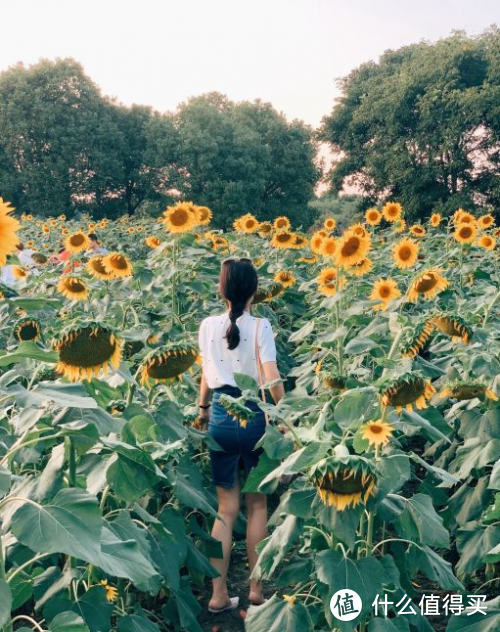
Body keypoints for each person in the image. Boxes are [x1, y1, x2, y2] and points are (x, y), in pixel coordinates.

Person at [197, 258, 285, 613]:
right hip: (253, 415)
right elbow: (270, 375)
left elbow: (206, 373)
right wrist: (286, 415)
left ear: (222, 289)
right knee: (258, 504)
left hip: (220, 413)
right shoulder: (260, 326)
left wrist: (202, 411)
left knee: (225, 509)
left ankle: (218, 596)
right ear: (253, 291)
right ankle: (256, 591)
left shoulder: (206, 326)